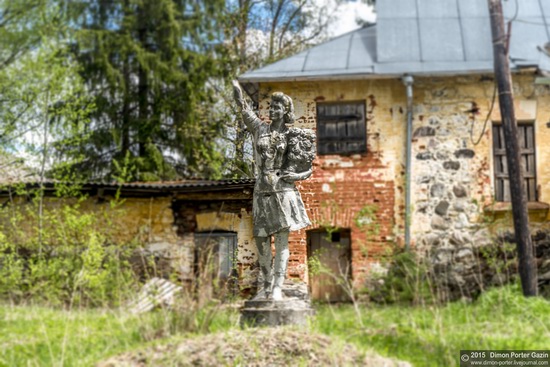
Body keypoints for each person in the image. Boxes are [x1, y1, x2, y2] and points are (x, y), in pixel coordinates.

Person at [232, 80, 315, 301]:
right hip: (262, 189)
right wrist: (238, 93)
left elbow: (307, 168)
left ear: (285, 111)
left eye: (277, 107)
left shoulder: (293, 136)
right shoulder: (260, 129)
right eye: (271, 106)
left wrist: (296, 176)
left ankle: (277, 285)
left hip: (283, 190)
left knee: (281, 240)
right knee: (261, 240)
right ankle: (267, 283)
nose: (272, 110)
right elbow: (244, 110)